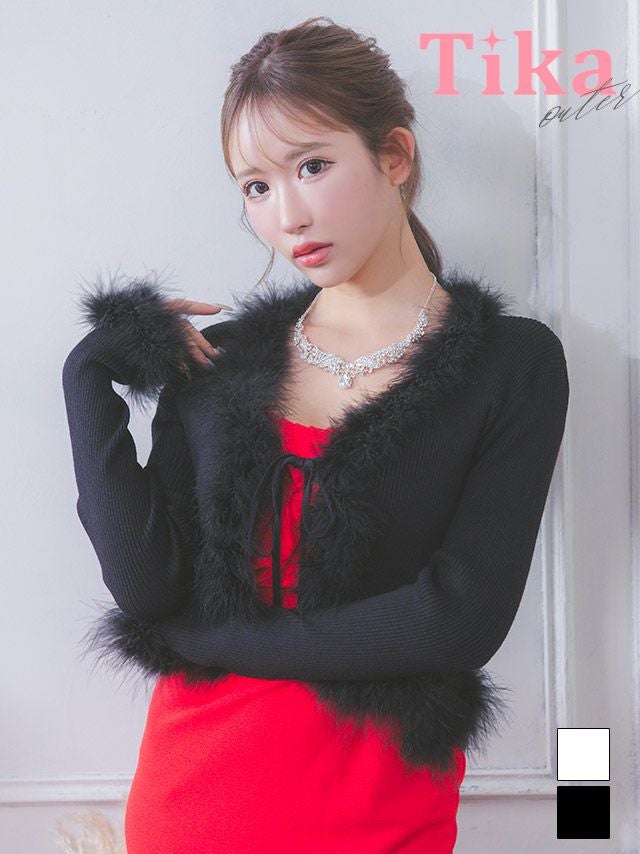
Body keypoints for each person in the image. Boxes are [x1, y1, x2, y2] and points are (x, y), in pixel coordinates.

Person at [62, 16, 569, 853]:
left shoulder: (511, 364)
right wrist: (86, 377)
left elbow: (456, 621)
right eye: (256, 187)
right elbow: (148, 591)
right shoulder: (218, 361)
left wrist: (213, 638)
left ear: (394, 155)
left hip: (379, 814)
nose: (288, 214)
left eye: (312, 166)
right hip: (190, 802)